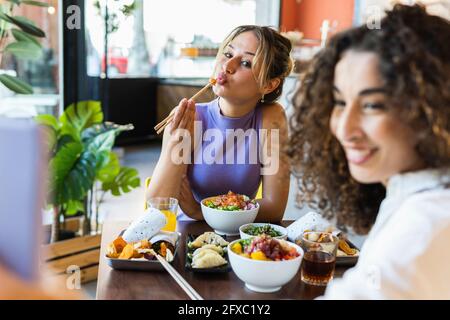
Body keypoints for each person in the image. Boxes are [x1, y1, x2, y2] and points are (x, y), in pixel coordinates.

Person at [287, 4, 450, 299]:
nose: (344, 129)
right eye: (339, 102)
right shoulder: (417, 195)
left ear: (430, 110)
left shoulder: (424, 226)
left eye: (372, 105)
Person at [147, 25, 293, 222]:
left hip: (239, 241)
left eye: (246, 63)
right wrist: (174, 142)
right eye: (227, 53)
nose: (228, 65)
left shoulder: (271, 119)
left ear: (268, 84)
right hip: (188, 235)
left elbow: (275, 208)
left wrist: (201, 211)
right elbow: (158, 206)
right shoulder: (192, 117)